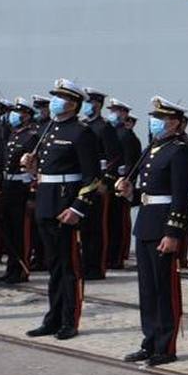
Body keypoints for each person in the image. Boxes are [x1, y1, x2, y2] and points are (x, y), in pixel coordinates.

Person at [118, 98, 188, 367]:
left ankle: (166, 345)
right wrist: (132, 194)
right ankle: (149, 340)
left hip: (164, 226)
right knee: (147, 289)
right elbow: (150, 193)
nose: (154, 121)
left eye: (160, 117)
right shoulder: (154, 148)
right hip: (147, 222)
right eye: (153, 117)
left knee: (164, 289)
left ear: (173, 122)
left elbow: (180, 196)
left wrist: (172, 233)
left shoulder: (179, 151)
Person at [25, 80, 102, 340]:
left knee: (69, 267)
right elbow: (47, 171)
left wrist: (77, 209)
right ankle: (53, 317)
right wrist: (31, 166)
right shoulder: (49, 128)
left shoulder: (81, 132)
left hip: (65, 206)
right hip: (46, 204)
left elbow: (92, 178)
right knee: (53, 266)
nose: (55, 100)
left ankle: (69, 320)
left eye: (60, 97)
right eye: (55, 96)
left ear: (73, 103)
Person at [0, 98, 39, 284]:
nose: (13, 115)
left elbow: (33, 169)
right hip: (8, 187)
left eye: (18, 112)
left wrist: (32, 194)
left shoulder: (31, 137)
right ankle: (11, 268)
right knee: (9, 231)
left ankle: (21, 269)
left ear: (27, 116)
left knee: (21, 232)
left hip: (21, 189)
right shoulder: (12, 135)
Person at [79, 87, 119, 279]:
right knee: (83, 226)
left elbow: (114, 158)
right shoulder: (84, 126)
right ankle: (85, 262)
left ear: (98, 104)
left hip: (99, 182)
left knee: (97, 227)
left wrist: (106, 182)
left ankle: (96, 267)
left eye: (90, 102)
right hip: (84, 181)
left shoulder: (104, 127)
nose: (87, 106)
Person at [106, 97, 140, 268]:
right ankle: (109, 255)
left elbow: (131, 162)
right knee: (110, 221)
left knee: (119, 221)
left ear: (125, 114)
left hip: (121, 185)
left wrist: (126, 180)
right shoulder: (112, 132)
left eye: (116, 111)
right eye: (111, 110)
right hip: (109, 182)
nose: (112, 114)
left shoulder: (126, 135)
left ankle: (117, 257)